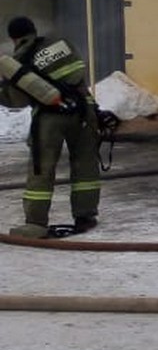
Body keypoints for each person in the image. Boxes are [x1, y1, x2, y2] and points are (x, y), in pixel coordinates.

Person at [1, 17, 101, 238]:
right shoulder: (61, 44)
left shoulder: (18, 61)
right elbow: (78, 75)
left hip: (48, 120)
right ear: (33, 31)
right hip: (83, 111)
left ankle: (35, 223)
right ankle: (85, 215)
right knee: (85, 164)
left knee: (41, 169)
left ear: (14, 38)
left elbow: (18, 101)